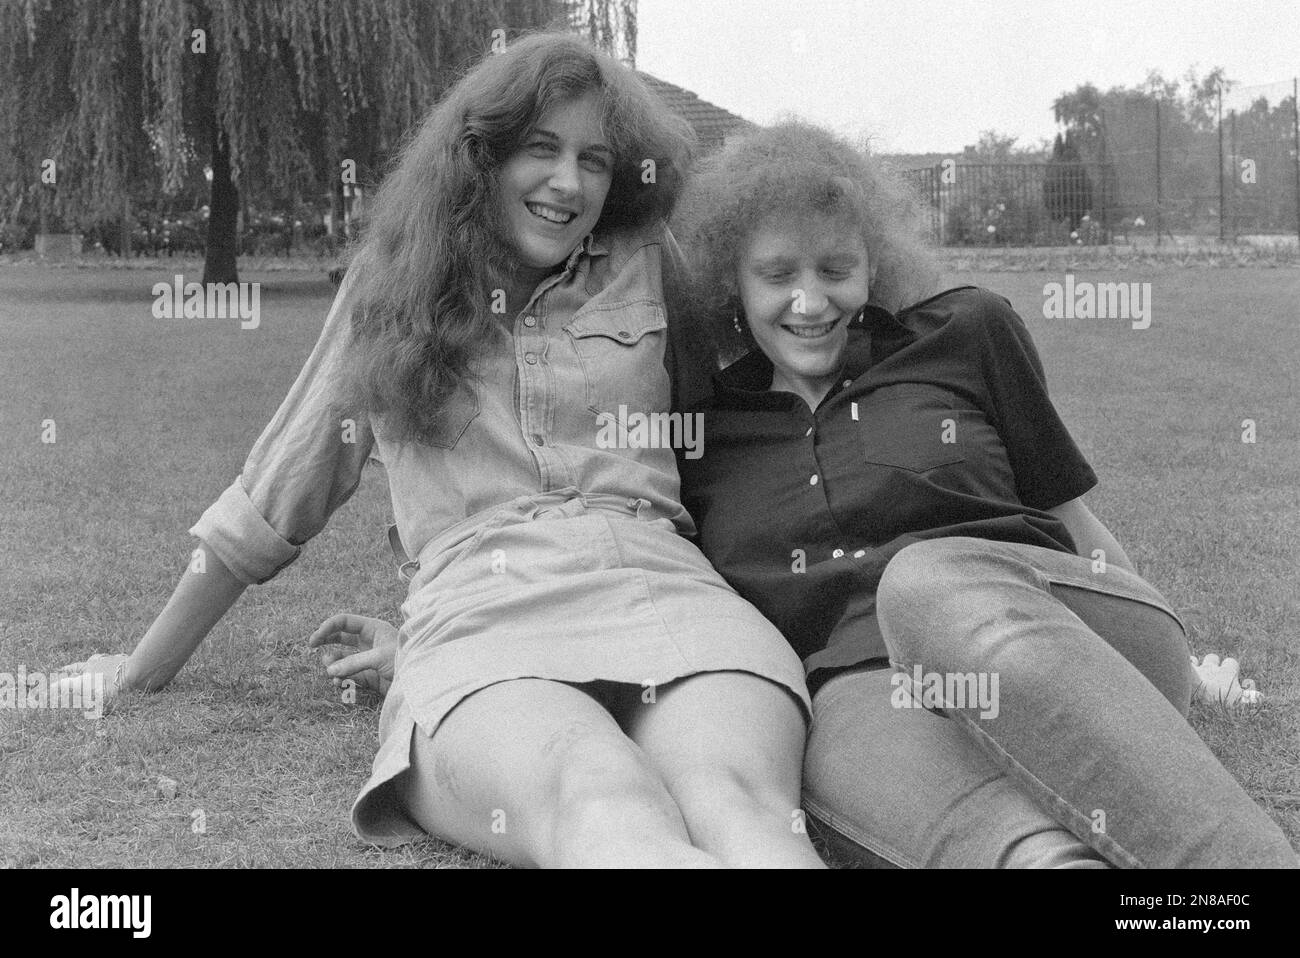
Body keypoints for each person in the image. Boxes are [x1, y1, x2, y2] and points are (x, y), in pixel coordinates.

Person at [58, 34, 825, 869]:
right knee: (599, 800)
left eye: (595, 160)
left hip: (667, 595)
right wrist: (140, 669)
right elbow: (272, 501)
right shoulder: (391, 289)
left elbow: (749, 404)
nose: (569, 183)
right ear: (480, 155)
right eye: (541, 149)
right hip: (482, 617)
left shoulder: (647, 263)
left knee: (742, 808)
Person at [668, 120, 1297, 868]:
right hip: (865, 690)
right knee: (1031, 858)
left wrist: (1182, 668)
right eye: (778, 276)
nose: (810, 301)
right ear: (732, 284)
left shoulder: (963, 333)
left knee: (926, 585)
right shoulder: (701, 431)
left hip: (1061, 631)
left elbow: (1073, 522)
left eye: (836, 268)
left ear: (876, 264)